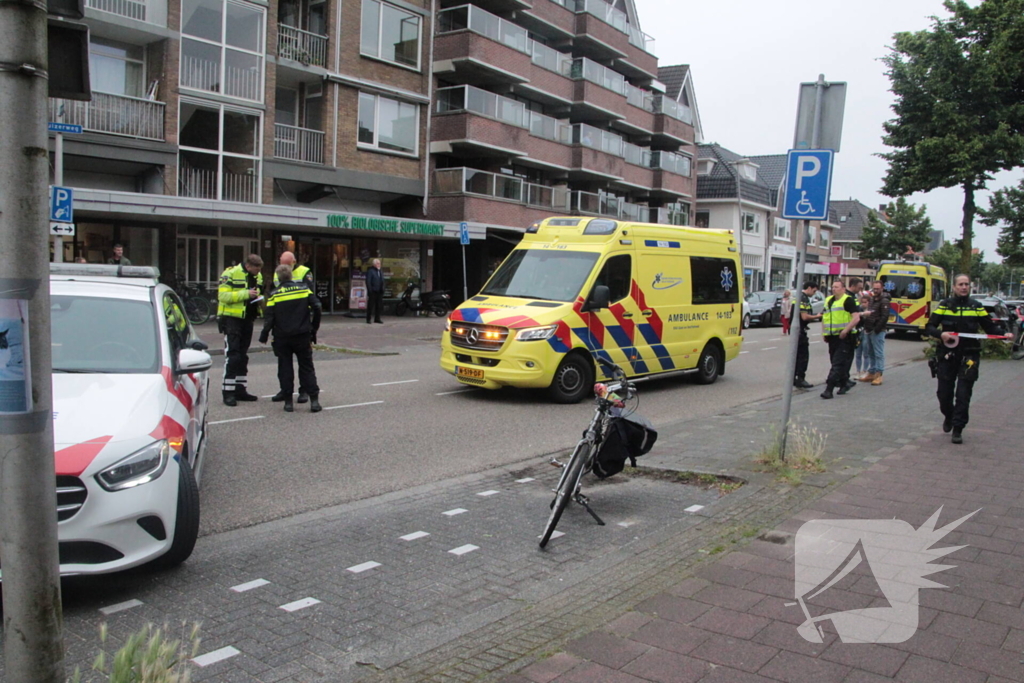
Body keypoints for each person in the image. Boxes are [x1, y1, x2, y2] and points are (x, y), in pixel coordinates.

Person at [925, 273, 1010, 444]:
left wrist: (1003, 335)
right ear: (954, 287)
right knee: (944, 394)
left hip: (969, 354)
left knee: (963, 394)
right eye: (961, 284)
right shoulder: (945, 305)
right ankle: (949, 415)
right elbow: (929, 326)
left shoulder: (976, 306)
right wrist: (941, 334)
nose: (964, 287)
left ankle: (958, 428)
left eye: (967, 284)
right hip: (947, 355)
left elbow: (989, 327)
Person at [259, 264, 322, 413]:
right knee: (307, 367)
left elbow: (269, 317)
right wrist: (314, 327)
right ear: (291, 276)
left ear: (278, 278)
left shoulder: (275, 294)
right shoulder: (303, 289)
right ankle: (314, 401)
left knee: (285, 368)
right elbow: (317, 307)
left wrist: (264, 334)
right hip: (302, 335)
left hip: (282, 337)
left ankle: (288, 402)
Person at [217, 253, 263, 406]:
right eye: (256, 270)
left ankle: (240, 389)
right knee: (233, 356)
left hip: (248, 319)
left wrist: (258, 299)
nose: (258, 273)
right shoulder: (229, 273)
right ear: (249, 266)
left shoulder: (258, 276)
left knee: (243, 356)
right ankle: (228, 392)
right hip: (232, 320)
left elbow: (259, 293)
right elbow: (223, 296)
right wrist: (246, 294)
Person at [820, 279, 861, 399]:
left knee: (837, 363)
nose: (834, 289)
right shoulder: (828, 300)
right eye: (833, 287)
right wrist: (824, 333)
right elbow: (825, 317)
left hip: (845, 337)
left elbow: (856, 318)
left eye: (837, 287)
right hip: (832, 337)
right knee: (835, 362)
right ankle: (844, 383)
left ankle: (829, 389)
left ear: (843, 289)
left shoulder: (848, 300)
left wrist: (845, 330)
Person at [858, 280, 892, 385]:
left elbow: (884, 316)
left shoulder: (884, 301)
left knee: (878, 353)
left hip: (877, 330)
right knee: (870, 352)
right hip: (869, 329)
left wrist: (877, 328)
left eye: (878, 289)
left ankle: (878, 374)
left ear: (882, 288)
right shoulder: (872, 299)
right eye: (874, 288)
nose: (876, 290)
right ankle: (871, 372)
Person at [794, 282, 822, 389]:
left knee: (796, 356)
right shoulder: (803, 298)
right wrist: (817, 316)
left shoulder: (797, 296)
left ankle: (794, 378)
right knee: (803, 356)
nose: (814, 294)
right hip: (800, 331)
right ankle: (800, 378)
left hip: (796, 330)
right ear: (809, 288)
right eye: (814, 291)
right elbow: (804, 317)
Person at [366, 258, 384, 324]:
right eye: (377, 263)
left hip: (379, 291)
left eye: (379, 263)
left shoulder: (380, 271)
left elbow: (382, 280)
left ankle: (377, 318)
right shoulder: (371, 271)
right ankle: (368, 319)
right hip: (373, 291)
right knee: (371, 306)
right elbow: (368, 281)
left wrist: (382, 288)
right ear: (374, 264)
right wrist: (370, 290)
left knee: (379, 306)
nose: (379, 265)